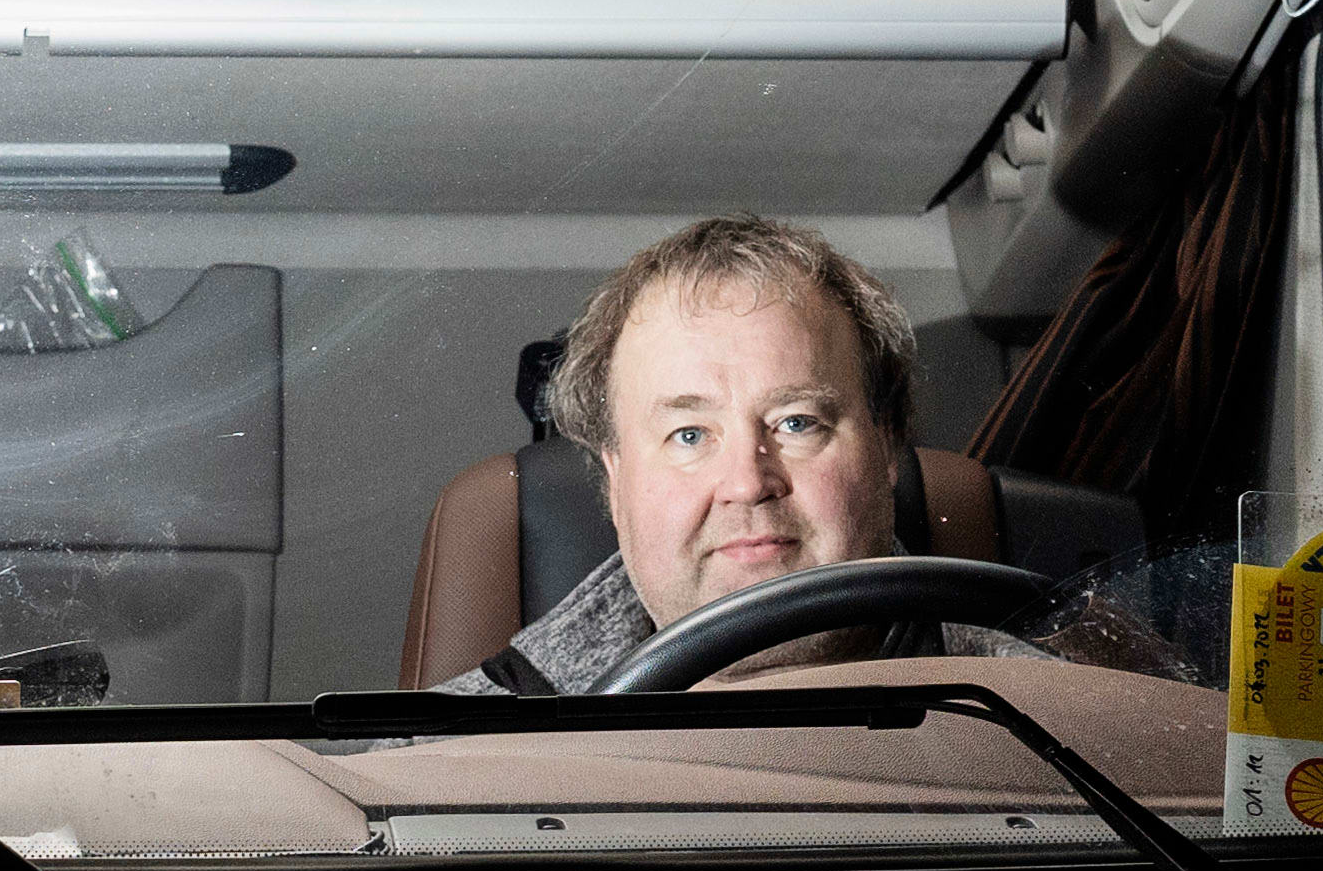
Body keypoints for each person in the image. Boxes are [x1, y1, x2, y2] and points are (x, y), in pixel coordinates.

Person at [443, 213, 1045, 697]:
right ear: (615, 479)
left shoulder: (1064, 722)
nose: (747, 483)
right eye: (689, 435)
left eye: (797, 423)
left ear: (886, 448)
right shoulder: (443, 767)